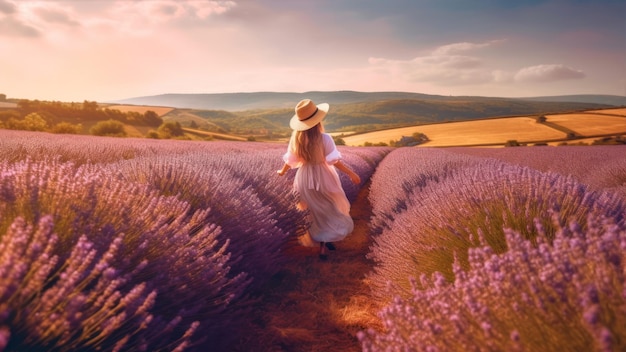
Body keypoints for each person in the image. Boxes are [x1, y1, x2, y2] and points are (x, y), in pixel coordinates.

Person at [277, 99, 361, 260]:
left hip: (304, 177)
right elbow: (334, 161)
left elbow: (290, 161)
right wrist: (351, 173)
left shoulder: (297, 140)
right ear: (317, 120)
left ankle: (323, 238)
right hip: (323, 176)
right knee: (329, 207)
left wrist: (281, 172)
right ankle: (324, 243)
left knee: (312, 211)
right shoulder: (325, 138)